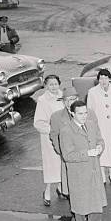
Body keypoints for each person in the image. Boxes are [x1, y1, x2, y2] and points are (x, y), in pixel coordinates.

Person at [59, 101, 108, 221]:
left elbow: (100, 140)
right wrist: (87, 153)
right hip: (78, 172)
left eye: (85, 112)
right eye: (80, 113)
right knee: (80, 201)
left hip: (93, 169)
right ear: (72, 113)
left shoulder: (91, 124)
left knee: (96, 197)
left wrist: (100, 147)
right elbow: (67, 156)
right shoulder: (66, 130)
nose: (84, 116)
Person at [86, 69, 111, 185]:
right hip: (100, 125)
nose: (103, 81)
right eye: (101, 78)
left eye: (105, 78)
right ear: (98, 79)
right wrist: (91, 125)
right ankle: (102, 176)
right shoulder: (92, 92)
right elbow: (89, 110)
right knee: (101, 148)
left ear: (110, 79)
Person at [34, 75, 64, 207]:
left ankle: (61, 187)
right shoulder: (42, 100)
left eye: (55, 84)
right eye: (50, 84)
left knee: (62, 163)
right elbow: (39, 122)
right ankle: (47, 191)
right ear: (46, 86)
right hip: (50, 138)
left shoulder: (64, 97)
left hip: (64, 137)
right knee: (51, 164)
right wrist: (52, 131)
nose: (53, 87)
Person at [49, 86, 81, 200]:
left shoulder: (86, 113)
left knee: (85, 188)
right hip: (68, 158)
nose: (68, 103)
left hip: (85, 157)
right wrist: (61, 151)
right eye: (65, 100)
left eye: (71, 99)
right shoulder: (56, 117)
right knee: (70, 188)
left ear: (77, 99)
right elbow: (54, 135)